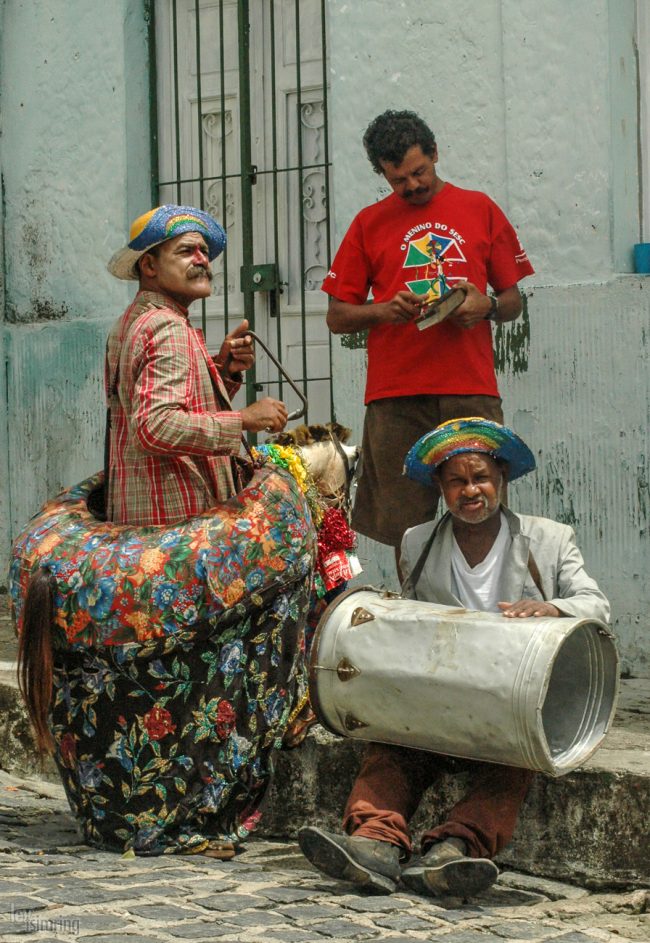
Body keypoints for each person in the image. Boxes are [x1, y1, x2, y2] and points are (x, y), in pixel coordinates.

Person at [299, 418, 610, 897]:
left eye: (481, 477)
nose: (472, 491)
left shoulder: (550, 539)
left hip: (510, 702)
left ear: (501, 480)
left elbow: (596, 604)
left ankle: (454, 850)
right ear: (441, 488)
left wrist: (552, 608)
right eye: (457, 481)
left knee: (520, 758)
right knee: (391, 744)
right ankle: (374, 842)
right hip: (436, 696)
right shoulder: (417, 543)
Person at [322, 109, 535, 565]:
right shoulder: (368, 223)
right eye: (397, 179)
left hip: (470, 391)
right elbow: (337, 316)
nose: (412, 186)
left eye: (419, 172)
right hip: (396, 397)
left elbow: (513, 300)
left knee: (481, 513)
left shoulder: (480, 209)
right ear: (382, 173)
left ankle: (487, 615)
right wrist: (384, 310)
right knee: (406, 528)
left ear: (435, 154)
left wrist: (487, 306)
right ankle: (417, 616)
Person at [106, 203, 288, 525]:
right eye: (187, 251)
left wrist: (221, 370)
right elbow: (155, 426)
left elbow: (150, 400)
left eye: (204, 251)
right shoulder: (168, 327)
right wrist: (243, 419)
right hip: (177, 521)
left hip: (140, 510)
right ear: (149, 265)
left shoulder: (130, 321)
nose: (203, 260)